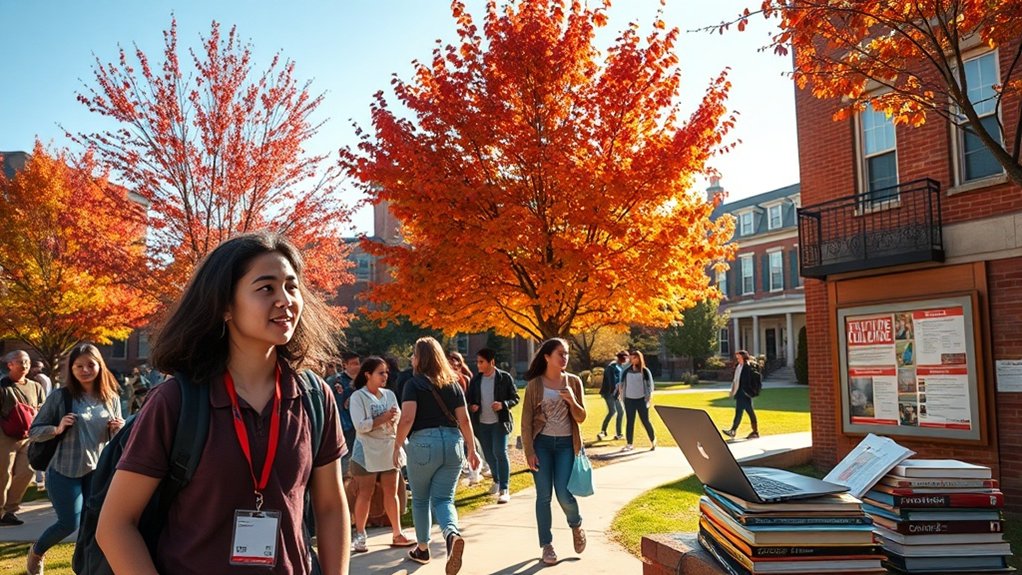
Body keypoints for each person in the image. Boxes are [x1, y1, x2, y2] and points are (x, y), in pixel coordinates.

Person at [95, 232, 351, 575]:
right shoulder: (176, 401)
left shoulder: (315, 397)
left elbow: (331, 506)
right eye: (266, 288)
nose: (285, 300)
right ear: (225, 307)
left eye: (291, 286)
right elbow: (114, 525)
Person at [26, 344, 125, 574]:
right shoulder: (61, 397)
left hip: (97, 470)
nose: (85, 370)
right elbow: (33, 431)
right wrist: (57, 428)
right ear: (71, 368)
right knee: (69, 523)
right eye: (79, 365)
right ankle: (37, 551)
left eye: (91, 364)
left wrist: (118, 428)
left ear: (100, 366)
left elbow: (118, 435)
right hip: (63, 470)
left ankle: (83, 566)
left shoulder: (110, 397)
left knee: (92, 523)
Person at [393, 337, 479, 574]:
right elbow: (464, 420)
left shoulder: (414, 384)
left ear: (420, 358)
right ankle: (452, 535)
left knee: (420, 500)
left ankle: (422, 548)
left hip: (423, 445)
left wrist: (397, 444)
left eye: (414, 354)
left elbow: (408, 418)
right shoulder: (453, 384)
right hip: (453, 444)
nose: (412, 358)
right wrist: (472, 449)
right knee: (444, 499)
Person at [520, 338, 587, 566]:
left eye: (567, 353)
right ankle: (547, 545)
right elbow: (526, 421)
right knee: (543, 496)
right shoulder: (535, 385)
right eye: (560, 353)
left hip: (566, 445)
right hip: (543, 445)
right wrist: (529, 450)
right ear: (547, 357)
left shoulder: (574, 382)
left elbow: (581, 417)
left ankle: (576, 523)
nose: (565, 357)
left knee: (563, 493)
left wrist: (572, 401)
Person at [348, 356, 414, 553]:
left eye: (386, 372)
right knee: (365, 493)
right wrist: (383, 418)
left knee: (391, 492)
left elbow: (399, 419)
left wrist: (391, 423)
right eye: (380, 372)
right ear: (368, 374)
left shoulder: (389, 395)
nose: (385, 376)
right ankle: (360, 535)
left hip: (388, 448)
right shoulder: (357, 397)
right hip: (366, 450)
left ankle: (397, 533)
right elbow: (360, 425)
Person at [466, 348, 520, 504]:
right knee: (488, 455)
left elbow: (515, 398)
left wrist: (503, 404)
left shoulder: (505, 378)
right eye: (477, 362)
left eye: (481, 362)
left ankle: (504, 489)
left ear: (492, 362)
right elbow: (469, 400)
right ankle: (496, 481)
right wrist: (472, 406)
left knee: (499, 452)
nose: (478, 365)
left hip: (499, 422)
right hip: (482, 424)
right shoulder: (475, 380)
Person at [0, 350, 47, 526]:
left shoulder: (36, 386)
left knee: (26, 472)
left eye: (27, 361)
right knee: (2, 474)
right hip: (5, 436)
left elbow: (42, 409)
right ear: (10, 365)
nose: (25, 365)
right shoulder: (3, 385)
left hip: (29, 437)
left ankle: (10, 511)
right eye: (20, 361)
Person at [722, 350, 760, 440]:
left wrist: (749, 391)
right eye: (737, 357)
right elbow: (736, 380)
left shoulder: (748, 367)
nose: (737, 359)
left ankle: (734, 431)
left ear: (743, 357)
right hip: (740, 393)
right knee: (747, 412)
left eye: (739, 357)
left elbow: (747, 381)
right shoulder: (739, 366)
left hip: (745, 393)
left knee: (741, 412)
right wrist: (732, 391)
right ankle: (754, 432)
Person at [335, 352, 360, 476]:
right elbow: (339, 405)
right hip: (345, 425)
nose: (357, 366)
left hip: (360, 425)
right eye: (354, 364)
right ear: (345, 365)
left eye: (358, 363)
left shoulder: (362, 381)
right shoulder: (338, 381)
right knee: (345, 458)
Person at [597, 351, 628, 441]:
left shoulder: (618, 366)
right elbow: (612, 382)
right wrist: (615, 394)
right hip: (610, 393)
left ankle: (603, 431)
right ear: (622, 358)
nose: (627, 360)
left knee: (612, 412)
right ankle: (618, 434)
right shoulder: (612, 367)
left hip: (612, 393)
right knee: (620, 412)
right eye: (625, 358)